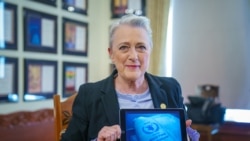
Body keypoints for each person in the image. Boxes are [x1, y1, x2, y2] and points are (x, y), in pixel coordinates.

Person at [61, 14, 200, 141]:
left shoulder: (171, 88)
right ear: (111, 54)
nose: (133, 56)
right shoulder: (89, 94)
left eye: (141, 47)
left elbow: (188, 134)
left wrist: (186, 136)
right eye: (123, 47)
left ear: (150, 50)